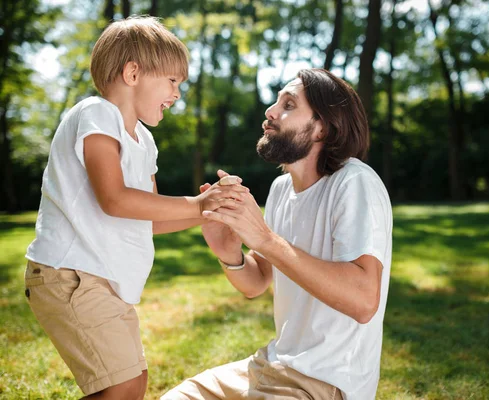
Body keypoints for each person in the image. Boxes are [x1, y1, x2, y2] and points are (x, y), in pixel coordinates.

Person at [24, 16, 246, 400]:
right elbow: (114, 198)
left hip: (102, 281)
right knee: (121, 385)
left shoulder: (144, 140)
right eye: (172, 81)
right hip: (71, 274)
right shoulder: (97, 113)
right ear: (132, 73)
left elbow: (148, 217)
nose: (177, 93)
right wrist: (195, 203)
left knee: (131, 384)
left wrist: (209, 210)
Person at [163, 68, 393, 400]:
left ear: (321, 128)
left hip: (325, 384)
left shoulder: (355, 182)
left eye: (288, 104)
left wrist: (265, 238)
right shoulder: (281, 188)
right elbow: (257, 282)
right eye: (276, 102)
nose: (270, 112)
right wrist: (228, 250)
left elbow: (363, 301)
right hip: (269, 366)